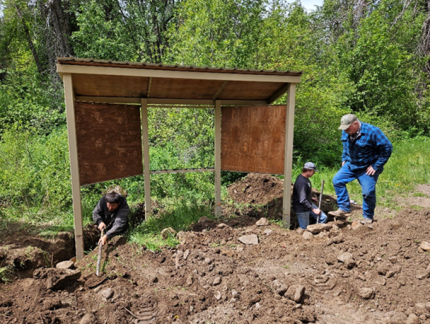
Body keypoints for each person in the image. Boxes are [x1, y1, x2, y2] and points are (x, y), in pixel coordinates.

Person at [329, 114, 392, 224]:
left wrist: (376, 166)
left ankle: (368, 217)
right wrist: (344, 158)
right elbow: (345, 146)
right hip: (351, 165)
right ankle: (344, 208)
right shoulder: (346, 131)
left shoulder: (372, 131)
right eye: (345, 129)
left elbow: (387, 148)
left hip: (366, 168)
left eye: (348, 128)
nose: (346, 131)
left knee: (368, 193)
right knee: (337, 180)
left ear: (356, 124)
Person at [292, 162, 328, 229]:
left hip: (308, 204)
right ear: (308, 170)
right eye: (313, 171)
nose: (314, 173)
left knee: (323, 217)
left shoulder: (305, 179)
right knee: (305, 228)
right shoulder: (301, 182)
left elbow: (301, 193)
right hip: (302, 209)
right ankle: (309, 236)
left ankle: (315, 231)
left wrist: (310, 198)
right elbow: (302, 199)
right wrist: (313, 209)